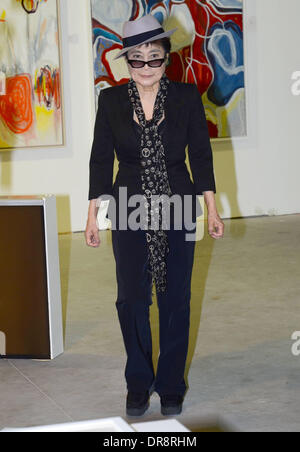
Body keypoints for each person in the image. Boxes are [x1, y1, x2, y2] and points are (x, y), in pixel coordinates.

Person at [85, 14, 224, 417]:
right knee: (130, 300)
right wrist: (92, 215)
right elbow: (99, 161)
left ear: (167, 59)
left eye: (154, 58)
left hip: (178, 204)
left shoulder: (185, 98)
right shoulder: (110, 101)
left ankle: (171, 385)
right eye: (137, 59)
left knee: (175, 299)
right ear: (126, 60)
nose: (146, 68)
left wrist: (212, 210)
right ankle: (138, 382)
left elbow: (200, 155)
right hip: (128, 206)